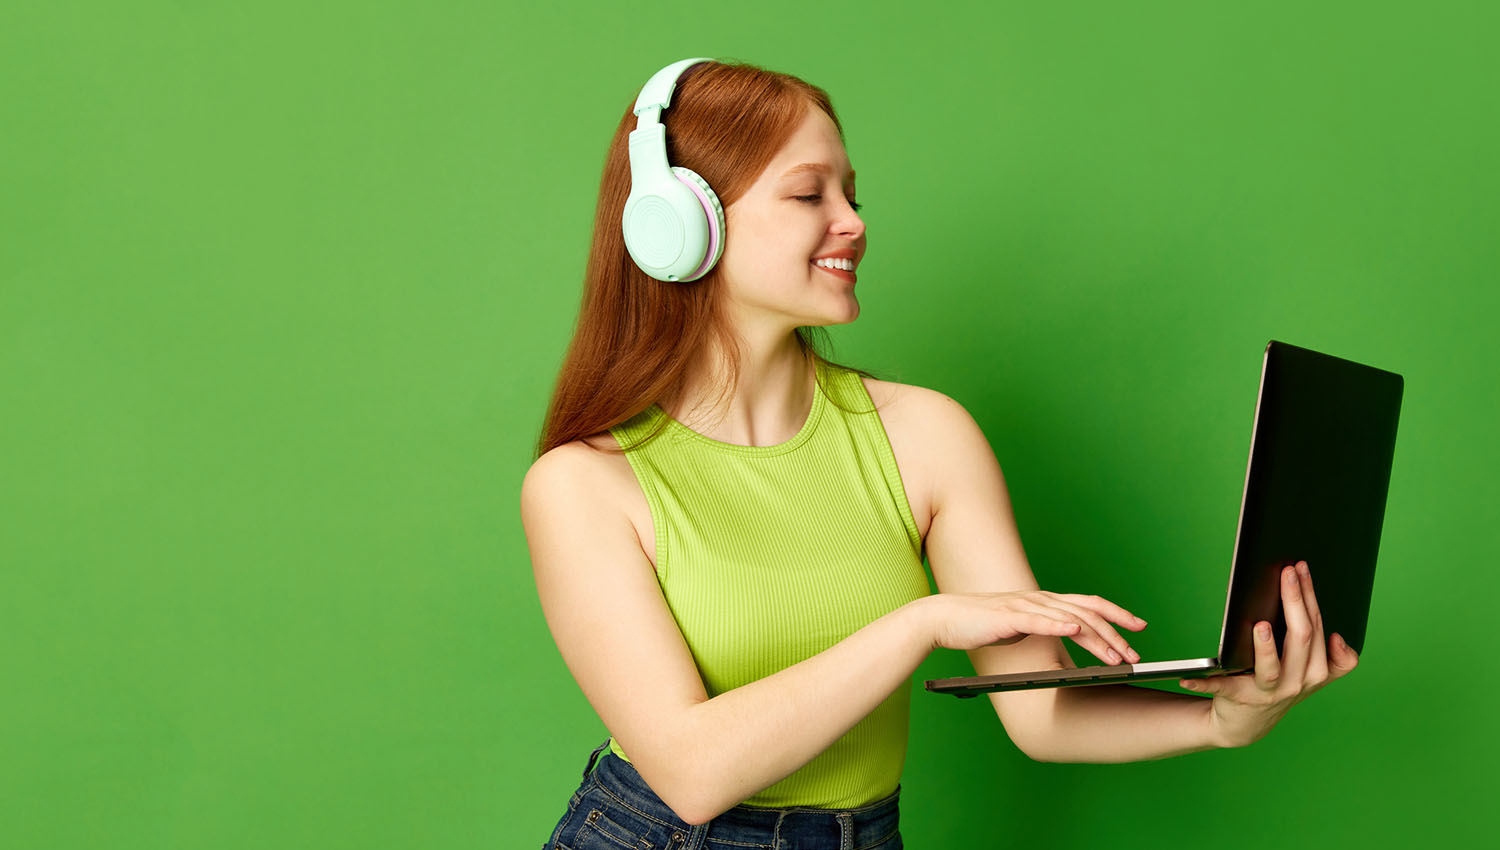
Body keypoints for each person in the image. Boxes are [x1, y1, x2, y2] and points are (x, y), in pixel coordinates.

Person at [520, 57, 1360, 850]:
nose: (852, 222)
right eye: (808, 194)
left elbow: (1043, 716)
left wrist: (1221, 720)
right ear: (679, 225)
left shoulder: (925, 435)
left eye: (851, 192)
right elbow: (692, 773)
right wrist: (922, 623)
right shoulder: (584, 486)